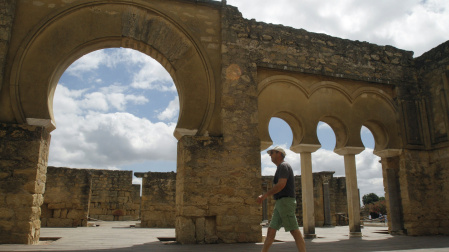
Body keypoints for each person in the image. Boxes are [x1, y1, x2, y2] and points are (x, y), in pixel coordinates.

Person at [257, 146, 306, 252]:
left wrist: (265, 195)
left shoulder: (284, 166)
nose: (270, 155)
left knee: (294, 230)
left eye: (272, 153)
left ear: (279, 153)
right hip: (281, 203)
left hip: (285, 202)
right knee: (271, 230)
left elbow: (281, 184)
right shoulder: (280, 167)